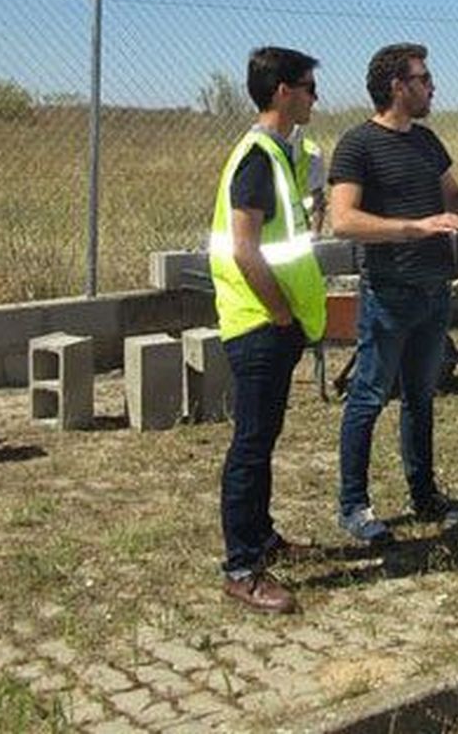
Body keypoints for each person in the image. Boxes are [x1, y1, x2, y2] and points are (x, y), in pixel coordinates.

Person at [329, 42, 458, 541]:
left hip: (434, 292)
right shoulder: (358, 145)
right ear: (398, 87)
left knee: (421, 397)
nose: (432, 85)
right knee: (368, 397)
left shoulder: (427, 141)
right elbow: (344, 219)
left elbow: (453, 199)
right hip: (389, 293)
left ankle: (424, 494)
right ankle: (354, 506)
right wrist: (413, 229)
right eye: (423, 78)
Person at [209, 46, 327, 613]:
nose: (315, 96)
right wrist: (280, 314)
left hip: (277, 321)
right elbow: (245, 248)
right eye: (308, 86)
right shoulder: (256, 157)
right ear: (283, 91)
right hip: (259, 322)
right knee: (251, 445)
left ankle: (262, 537)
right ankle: (241, 567)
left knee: (264, 437)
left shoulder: (283, 153)